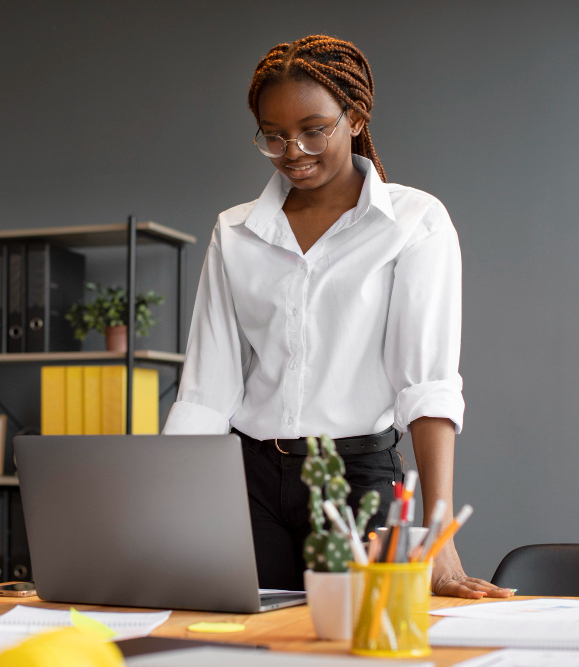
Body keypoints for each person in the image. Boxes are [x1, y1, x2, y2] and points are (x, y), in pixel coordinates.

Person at [162, 35, 512, 599]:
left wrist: (437, 529)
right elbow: (206, 392)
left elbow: (426, 386)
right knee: (239, 637)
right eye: (273, 136)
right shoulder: (235, 231)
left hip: (356, 483)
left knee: (357, 638)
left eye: (313, 130)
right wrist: (166, 511)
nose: (293, 151)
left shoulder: (414, 222)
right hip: (248, 484)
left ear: (355, 116)